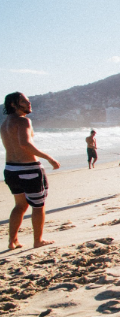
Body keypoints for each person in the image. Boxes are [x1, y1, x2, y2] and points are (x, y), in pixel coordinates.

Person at [1, 92, 60, 249]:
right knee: (38, 205)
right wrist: (49, 158)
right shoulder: (23, 121)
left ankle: (12, 241)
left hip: (10, 169)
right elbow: (25, 144)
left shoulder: (5, 124)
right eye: (25, 102)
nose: (29, 104)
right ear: (14, 104)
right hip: (28, 169)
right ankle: (38, 241)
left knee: (19, 206)